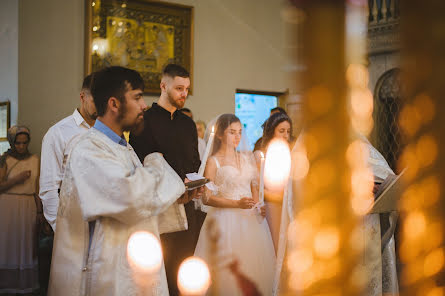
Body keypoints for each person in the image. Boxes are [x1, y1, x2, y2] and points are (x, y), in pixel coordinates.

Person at [48, 66, 195, 296]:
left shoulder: (123, 148)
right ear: (114, 104)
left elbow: (144, 201)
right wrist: (158, 164)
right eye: (137, 97)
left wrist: (175, 197)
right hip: (106, 270)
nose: (144, 105)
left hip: (132, 264)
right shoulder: (89, 149)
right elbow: (130, 198)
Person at [130, 64, 203, 296]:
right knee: (158, 276)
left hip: (187, 207)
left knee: (183, 272)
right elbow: (141, 166)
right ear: (163, 85)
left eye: (187, 89)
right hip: (159, 211)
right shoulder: (144, 121)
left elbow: (194, 162)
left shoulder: (188, 124)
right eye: (179, 88)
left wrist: (195, 185)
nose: (184, 93)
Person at [194, 114, 276, 296]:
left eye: (239, 132)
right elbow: (206, 197)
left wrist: (258, 205)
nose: (237, 137)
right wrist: (236, 204)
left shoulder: (246, 158)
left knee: (252, 265)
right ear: (221, 135)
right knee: (226, 273)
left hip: (250, 222)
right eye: (232, 132)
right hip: (224, 220)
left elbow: (254, 186)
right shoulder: (213, 161)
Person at [40, 73, 97, 231]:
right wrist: (60, 229)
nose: (100, 105)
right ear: (82, 97)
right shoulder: (58, 133)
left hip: (102, 223)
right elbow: (49, 188)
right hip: (71, 220)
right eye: (95, 99)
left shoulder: (108, 132)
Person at [0, 126, 42, 294]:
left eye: (25, 143)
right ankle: (6, 284)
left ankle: (24, 284)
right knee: (7, 244)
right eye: (18, 143)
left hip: (28, 206)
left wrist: (40, 212)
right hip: (7, 206)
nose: (21, 147)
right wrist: (16, 180)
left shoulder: (35, 159)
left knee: (26, 244)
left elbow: (38, 189)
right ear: (12, 142)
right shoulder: (4, 160)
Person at [254, 112, 293, 253]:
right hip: (271, 206)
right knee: (275, 247)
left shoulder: (291, 154)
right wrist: (280, 197)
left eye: (288, 132)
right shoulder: (261, 155)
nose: (285, 135)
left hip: (288, 206)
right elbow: (257, 187)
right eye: (281, 131)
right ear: (272, 132)